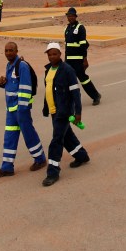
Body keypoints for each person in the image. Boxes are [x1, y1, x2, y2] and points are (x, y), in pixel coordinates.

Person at [0, 41, 47, 178]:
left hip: (21, 109)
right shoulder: (9, 65)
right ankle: (7, 167)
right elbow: (13, 86)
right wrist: (3, 83)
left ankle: (40, 159)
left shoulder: (21, 66)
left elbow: (25, 88)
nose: (8, 53)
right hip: (11, 110)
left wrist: (22, 109)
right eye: (6, 50)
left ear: (17, 51)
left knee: (29, 134)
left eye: (11, 50)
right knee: (9, 137)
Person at [41, 42, 90, 187]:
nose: (52, 57)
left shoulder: (67, 70)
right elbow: (48, 90)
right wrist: (46, 108)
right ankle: (82, 156)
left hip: (64, 112)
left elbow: (76, 92)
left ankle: (52, 172)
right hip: (53, 111)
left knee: (56, 140)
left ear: (60, 54)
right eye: (49, 54)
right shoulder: (48, 70)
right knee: (67, 136)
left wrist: (78, 113)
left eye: (54, 54)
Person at [64, 7, 101, 105]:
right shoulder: (67, 29)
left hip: (78, 60)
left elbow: (83, 45)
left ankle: (96, 96)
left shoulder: (80, 27)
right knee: (69, 81)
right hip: (68, 61)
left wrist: (85, 59)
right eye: (68, 16)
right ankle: (71, 101)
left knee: (84, 80)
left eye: (72, 16)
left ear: (75, 17)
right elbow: (67, 46)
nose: (70, 18)